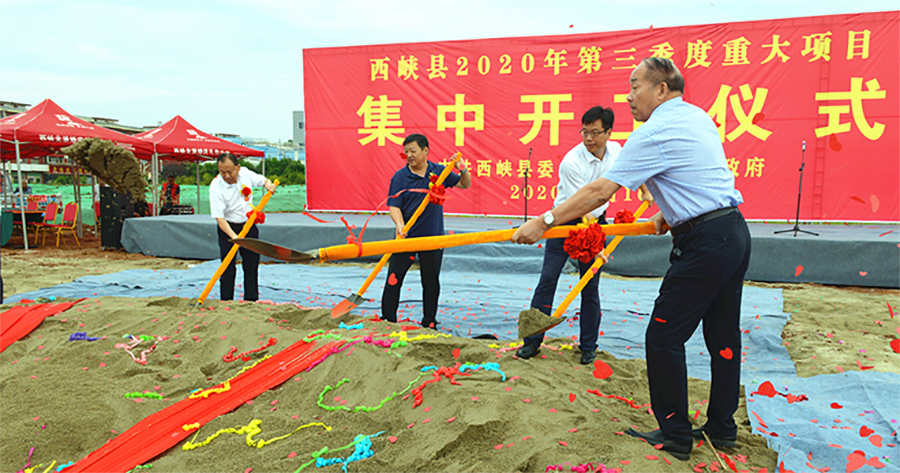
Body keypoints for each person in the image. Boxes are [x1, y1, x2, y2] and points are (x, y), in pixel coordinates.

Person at [512, 57, 750, 461]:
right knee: (723, 336)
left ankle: (675, 433)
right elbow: (697, 173)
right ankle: (722, 428)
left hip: (705, 244)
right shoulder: (697, 118)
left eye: (635, 85)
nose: (628, 95)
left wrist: (543, 221)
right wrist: (670, 211)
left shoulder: (652, 132)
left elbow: (600, 192)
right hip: (732, 232)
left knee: (663, 336)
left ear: (661, 89)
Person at [516, 106, 652, 365]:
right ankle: (531, 342)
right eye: (584, 132)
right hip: (564, 224)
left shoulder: (617, 151)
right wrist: (594, 247)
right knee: (548, 281)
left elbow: (629, 170)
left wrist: (645, 191)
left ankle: (588, 345)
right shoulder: (572, 162)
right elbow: (583, 205)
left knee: (590, 287)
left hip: (596, 223)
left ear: (609, 132)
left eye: (595, 133)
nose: (589, 138)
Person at [381, 134, 471, 328]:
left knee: (431, 282)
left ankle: (429, 320)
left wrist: (462, 169)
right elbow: (394, 206)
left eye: (413, 151)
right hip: (406, 237)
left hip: (433, 238)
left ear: (425, 150)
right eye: (406, 152)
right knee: (394, 279)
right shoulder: (400, 177)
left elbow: (465, 184)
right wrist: (400, 225)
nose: (409, 155)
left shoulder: (439, 171)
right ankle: (388, 320)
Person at [209, 152, 277, 301]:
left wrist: (268, 184)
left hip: (248, 224)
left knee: (251, 264)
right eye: (222, 172)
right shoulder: (215, 187)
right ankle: (226, 300)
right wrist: (234, 237)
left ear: (238, 167)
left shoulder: (245, 174)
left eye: (229, 171)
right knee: (227, 267)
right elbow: (219, 219)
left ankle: (251, 299)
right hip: (228, 228)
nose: (226, 176)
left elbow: (262, 180)